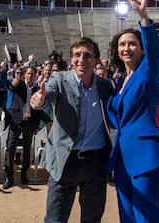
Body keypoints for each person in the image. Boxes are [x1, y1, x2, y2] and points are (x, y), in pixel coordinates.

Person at [106, 0, 159, 222]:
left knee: (150, 217)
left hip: (145, 154)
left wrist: (142, 14)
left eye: (132, 43)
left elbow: (156, 54)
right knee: (128, 216)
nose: (127, 48)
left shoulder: (148, 71)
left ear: (141, 49)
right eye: (122, 44)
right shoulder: (120, 80)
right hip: (122, 156)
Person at [30, 37, 113, 222]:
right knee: (55, 218)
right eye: (77, 55)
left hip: (95, 161)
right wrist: (40, 99)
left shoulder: (106, 87)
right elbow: (48, 93)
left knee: (92, 218)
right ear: (71, 59)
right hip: (65, 159)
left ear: (96, 60)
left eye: (87, 55)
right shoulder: (59, 79)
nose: (81, 60)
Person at [3, 66, 40, 189]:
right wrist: (4, 72)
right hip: (16, 120)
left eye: (31, 73)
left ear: (35, 75)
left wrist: (36, 126)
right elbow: (9, 86)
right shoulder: (19, 85)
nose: (29, 75)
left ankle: (24, 175)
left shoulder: (37, 89)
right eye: (27, 73)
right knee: (10, 148)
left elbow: (38, 110)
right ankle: (9, 177)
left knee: (27, 150)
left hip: (29, 122)